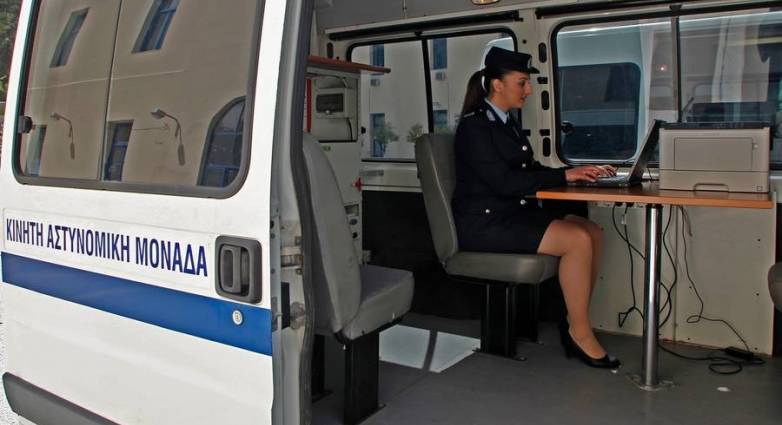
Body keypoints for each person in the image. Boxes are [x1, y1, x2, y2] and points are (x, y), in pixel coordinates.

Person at [452, 47, 620, 369]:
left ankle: (573, 320)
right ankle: (579, 332)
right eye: (522, 83)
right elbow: (503, 182)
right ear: (497, 85)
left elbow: (527, 170)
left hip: (509, 215)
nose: (528, 90)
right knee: (577, 240)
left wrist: (573, 174)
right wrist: (563, 176)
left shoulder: (506, 122)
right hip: (484, 224)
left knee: (592, 231)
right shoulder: (475, 127)